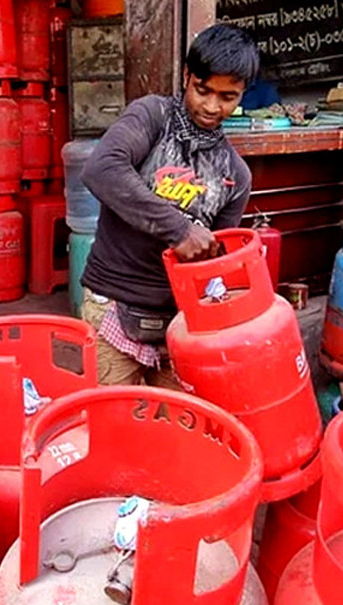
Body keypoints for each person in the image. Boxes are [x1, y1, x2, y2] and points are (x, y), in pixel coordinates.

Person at [79, 24, 258, 387]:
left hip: (181, 321)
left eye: (227, 97)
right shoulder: (152, 117)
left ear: (242, 95)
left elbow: (215, 263)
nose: (211, 106)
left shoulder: (235, 175)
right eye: (202, 90)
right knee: (113, 427)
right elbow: (101, 169)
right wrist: (178, 229)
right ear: (187, 76)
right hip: (113, 301)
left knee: (178, 429)